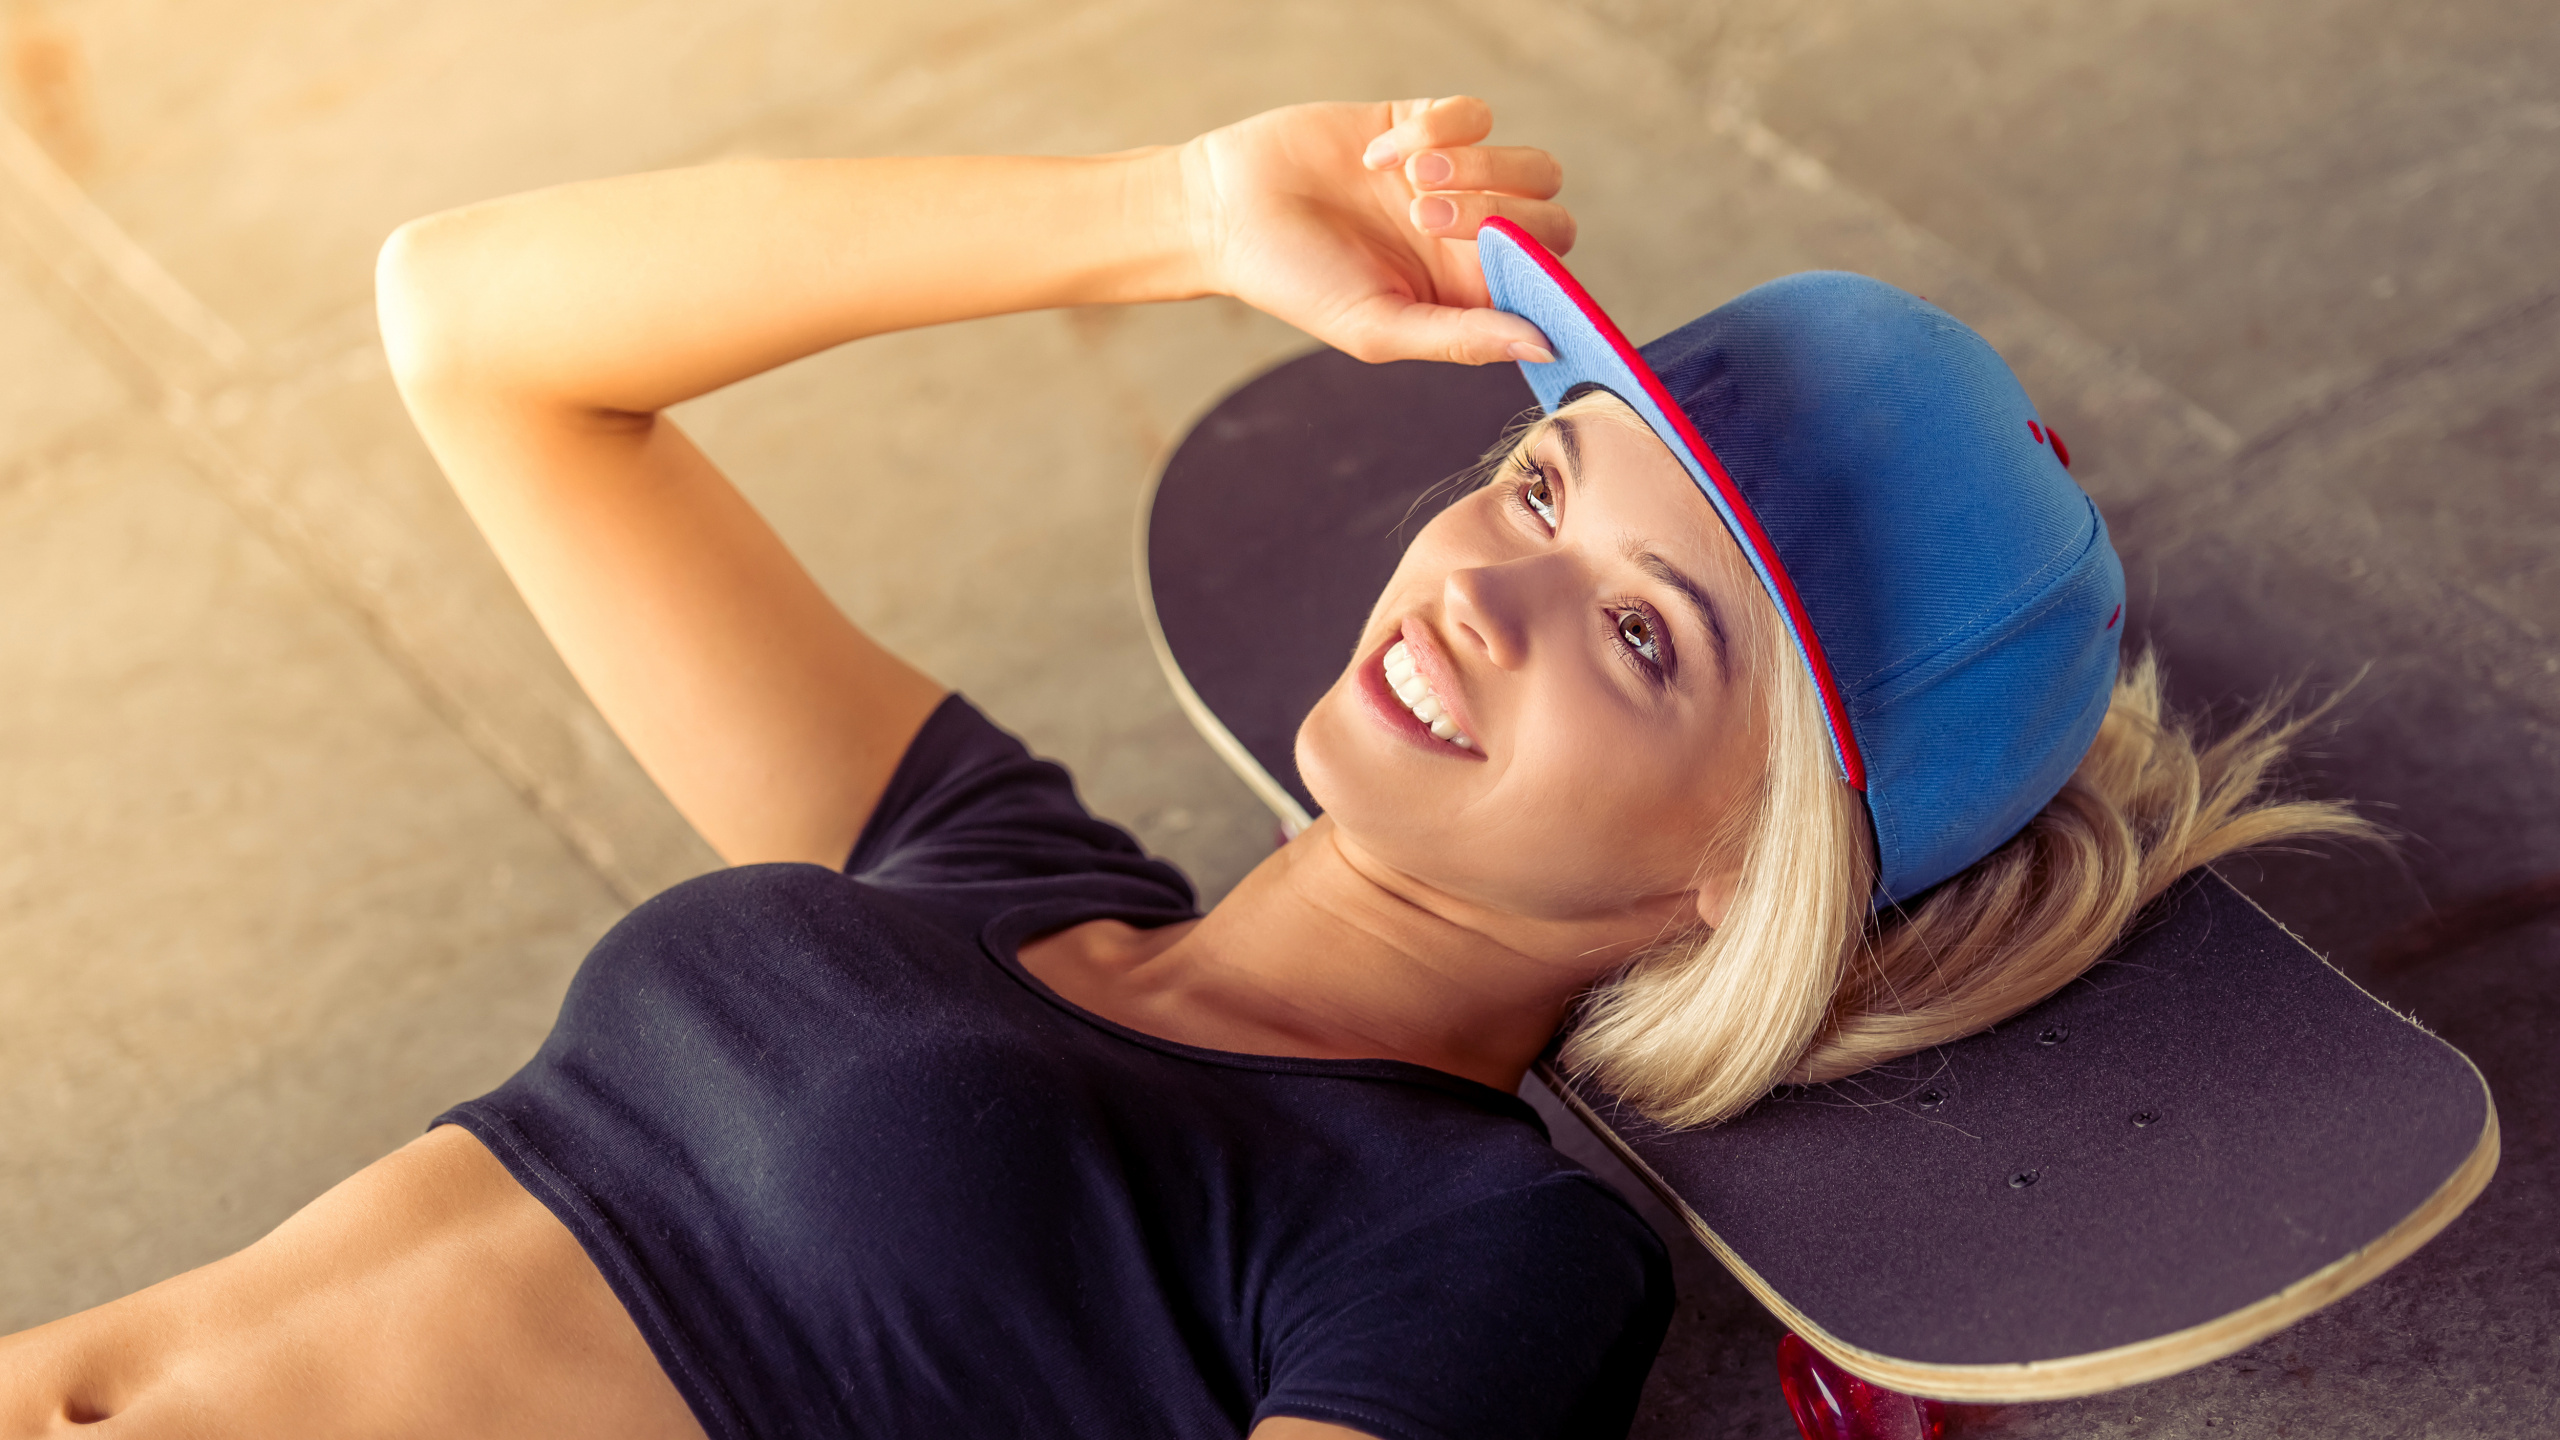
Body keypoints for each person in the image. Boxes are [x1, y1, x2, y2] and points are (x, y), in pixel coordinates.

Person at [0, 96, 2364, 1440]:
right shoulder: (980, 862)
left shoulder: (1469, 1251)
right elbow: (478, 338)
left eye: (1643, 636)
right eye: (1541, 483)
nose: (1478, 586)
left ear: (1727, 887)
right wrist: (1168, 215)